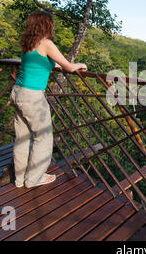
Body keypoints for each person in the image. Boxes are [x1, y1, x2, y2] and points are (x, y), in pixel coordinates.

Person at [9, 11, 87, 188]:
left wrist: (56, 64)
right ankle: (33, 179)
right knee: (43, 138)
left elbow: (45, 62)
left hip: (18, 91)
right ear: (46, 25)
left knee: (22, 138)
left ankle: (20, 180)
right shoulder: (47, 44)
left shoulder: (28, 43)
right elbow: (68, 66)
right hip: (32, 97)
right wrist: (80, 65)